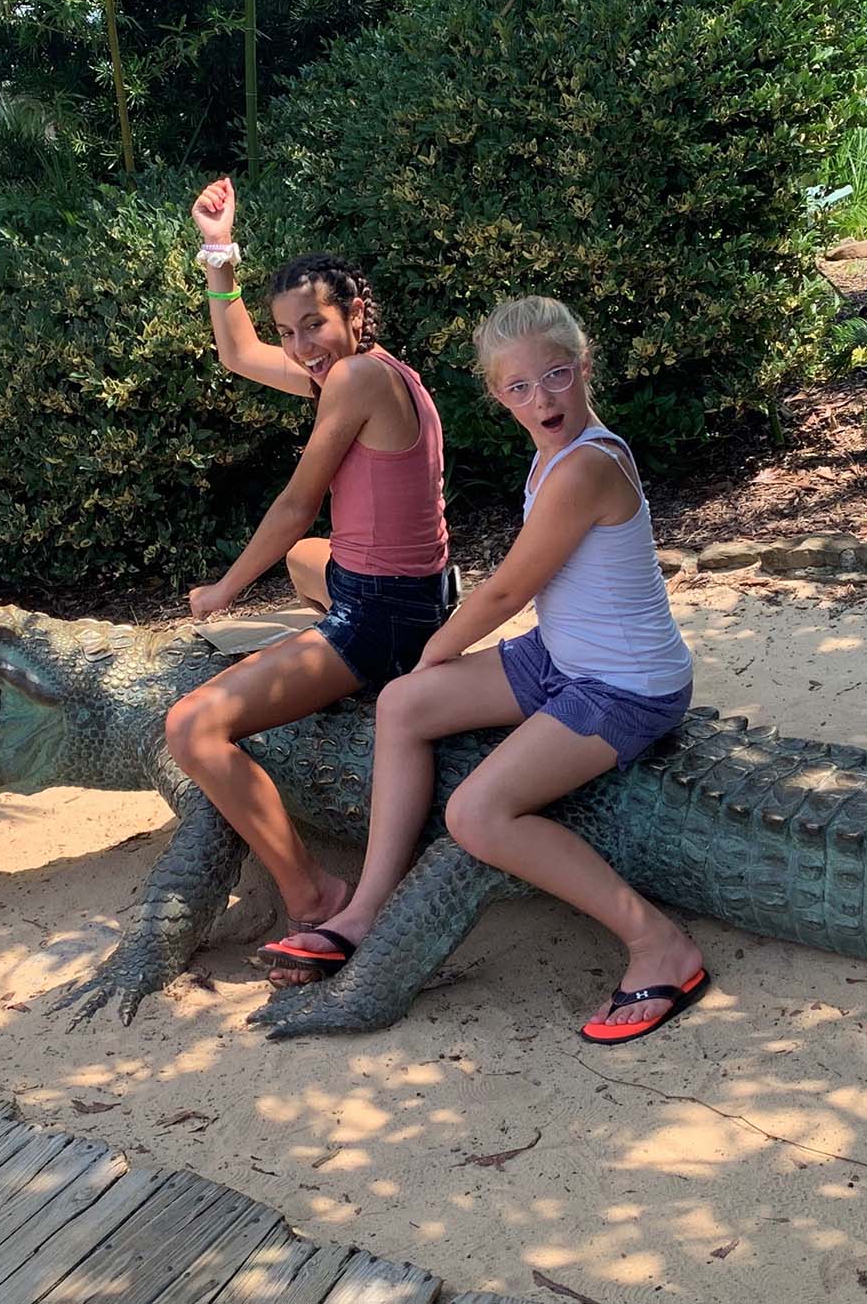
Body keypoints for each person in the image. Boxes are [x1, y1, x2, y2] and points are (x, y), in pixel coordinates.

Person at [261, 295, 707, 1043]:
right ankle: (368, 905)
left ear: (584, 366)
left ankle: (658, 943)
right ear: (497, 394)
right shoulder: (550, 453)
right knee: (403, 705)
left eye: (558, 375)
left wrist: (436, 651)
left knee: (475, 813)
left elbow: (506, 590)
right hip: (562, 657)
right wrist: (425, 674)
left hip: (625, 685)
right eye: (520, 387)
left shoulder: (586, 466)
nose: (544, 398)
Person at [164, 177, 454, 954]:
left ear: (355, 314)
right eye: (289, 331)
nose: (300, 347)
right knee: (303, 559)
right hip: (416, 590)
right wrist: (218, 252)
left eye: (314, 325)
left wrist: (223, 591)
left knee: (192, 727)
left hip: (384, 618)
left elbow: (296, 502)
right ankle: (335, 623)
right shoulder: (365, 371)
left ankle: (313, 892)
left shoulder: (356, 379)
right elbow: (237, 352)